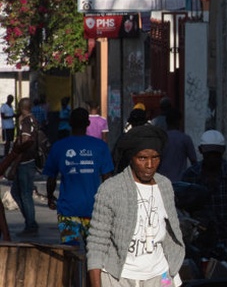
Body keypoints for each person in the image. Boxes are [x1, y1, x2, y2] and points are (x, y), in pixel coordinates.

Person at [87, 125, 185, 286]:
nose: (149, 165)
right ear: (131, 158)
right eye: (142, 158)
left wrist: (172, 271)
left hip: (159, 276)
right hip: (118, 277)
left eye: (155, 157)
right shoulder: (111, 189)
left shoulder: (165, 186)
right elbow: (97, 242)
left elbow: (171, 231)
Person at [181, 129, 227, 277]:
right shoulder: (190, 176)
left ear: (223, 152)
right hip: (199, 248)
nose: (213, 159)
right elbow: (182, 216)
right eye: (209, 154)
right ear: (201, 151)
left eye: (217, 154)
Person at [44, 107, 115, 247]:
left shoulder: (59, 147)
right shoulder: (100, 147)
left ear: (70, 123)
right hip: (95, 211)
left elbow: (51, 177)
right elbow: (108, 178)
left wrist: (50, 196)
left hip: (68, 211)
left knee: (70, 253)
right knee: (94, 254)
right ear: (88, 124)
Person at [9, 97, 41, 236]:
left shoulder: (26, 123)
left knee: (25, 194)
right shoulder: (34, 120)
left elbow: (25, 145)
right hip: (30, 161)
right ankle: (30, 221)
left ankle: (31, 225)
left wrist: (15, 164)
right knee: (16, 192)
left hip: (25, 163)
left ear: (20, 108)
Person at [157, 108, 197, 182]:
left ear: (167, 122)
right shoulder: (185, 138)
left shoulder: (160, 139)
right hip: (180, 182)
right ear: (179, 121)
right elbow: (194, 162)